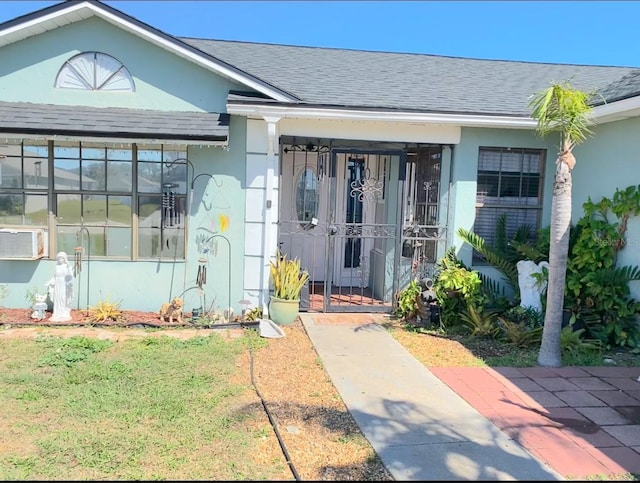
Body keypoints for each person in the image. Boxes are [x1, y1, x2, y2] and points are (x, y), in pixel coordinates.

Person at [46, 251, 74, 322]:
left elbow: (70, 276)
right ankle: (57, 313)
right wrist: (50, 282)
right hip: (57, 284)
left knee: (63, 297)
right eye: (58, 259)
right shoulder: (57, 266)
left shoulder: (67, 266)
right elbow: (54, 276)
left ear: (64, 259)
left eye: (61, 259)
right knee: (57, 298)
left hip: (64, 284)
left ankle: (63, 312)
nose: (60, 260)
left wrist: (68, 267)